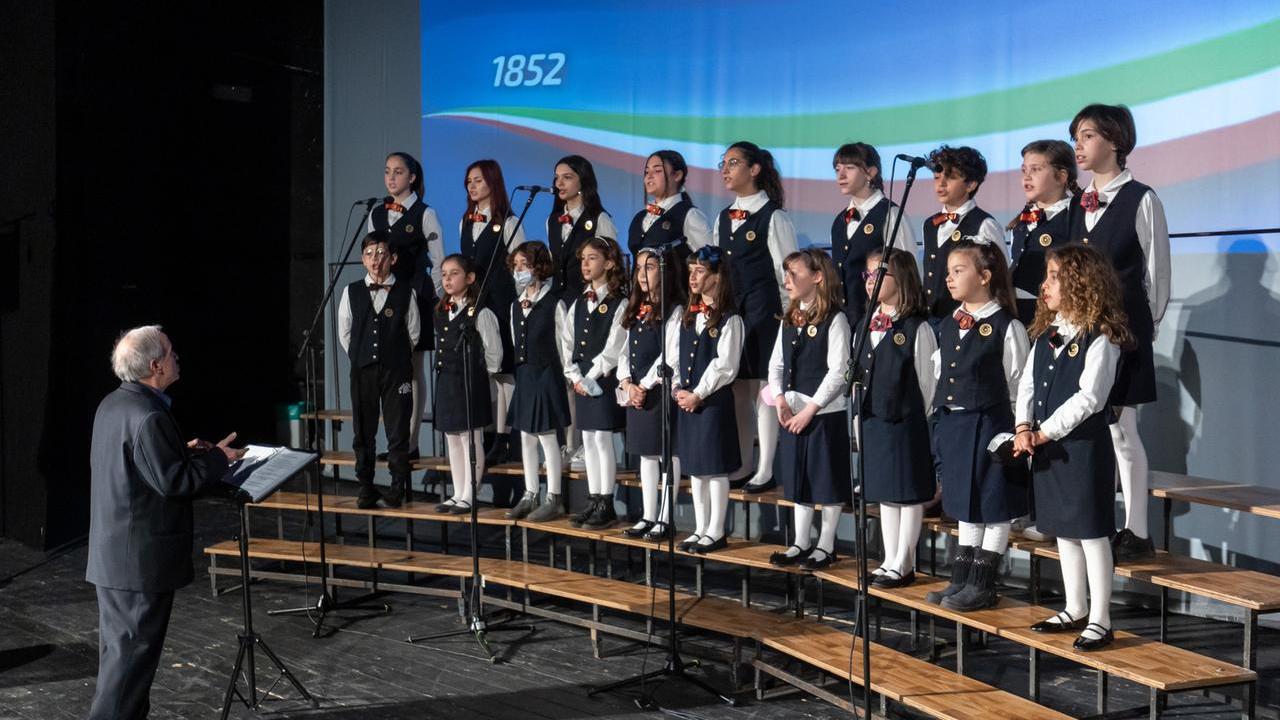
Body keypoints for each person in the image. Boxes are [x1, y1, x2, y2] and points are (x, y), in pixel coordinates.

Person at [87, 325, 243, 720]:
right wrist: (219, 459)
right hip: (138, 565)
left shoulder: (113, 404)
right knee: (126, 673)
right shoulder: (148, 415)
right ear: (155, 365)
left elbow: (137, 467)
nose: (177, 358)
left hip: (113, 559)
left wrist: (180, 451)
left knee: (124, 667)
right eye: (171, 353)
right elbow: (176, 482)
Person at [1016, 245, 1132, 651]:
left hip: (1082, 448)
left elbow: (1090, 399)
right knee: (1064, 530)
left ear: (1080, 283)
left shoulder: (1100, 335)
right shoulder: (1048, 334)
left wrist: (1043, 432)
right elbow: (1027, 385)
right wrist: (1022, 427)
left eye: (1052, 276)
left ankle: (1101, 618)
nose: (1043, 285)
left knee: (1092, 531)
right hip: (1048, 446)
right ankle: (1074, 606)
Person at [1068, 103, 1170, 563]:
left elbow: (1157, 276)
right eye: (1076, 136)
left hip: (1125, 332)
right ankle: (1095, 520)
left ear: (1115, 141)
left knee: (1122, 429)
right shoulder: (1076, 202)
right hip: (1082, 334)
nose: (1079, 146)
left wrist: (1139, 328)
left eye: (1087, 136)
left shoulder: (1141, 198)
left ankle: (1137, 530)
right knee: (1089, 430)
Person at [925, 238, 1030, 612]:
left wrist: (1016, 430)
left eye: (958, 271)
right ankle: (962, 577)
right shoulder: (948, 324)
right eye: (948, 272)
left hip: (991, 425)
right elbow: (941, 373)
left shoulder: (1006, 325)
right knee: (966, 503)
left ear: (984, 276)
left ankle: (984, 584)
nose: (949, 279)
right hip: (956, 424)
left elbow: (1019, 384)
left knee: (993, 502)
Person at [715, 141, 798, 493]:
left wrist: (789, 317)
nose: (725, 169)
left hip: (767, 313)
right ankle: (743, 464)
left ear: (754, 170)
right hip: (734, 314)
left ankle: (766, 468)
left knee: (766, 389)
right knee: (737, 389)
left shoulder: (773, 216)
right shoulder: (722, 217)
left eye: (734, 162)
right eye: (724, 163)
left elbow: (788, 273)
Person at [852, 248, 937, 589]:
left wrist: (916, 415)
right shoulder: (864, 324)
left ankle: (904, 561)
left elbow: (928, 383)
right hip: (873, 420)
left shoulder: (917, 328)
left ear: (899, 277)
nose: (870, 281)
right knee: (886, 493)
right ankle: (889, 558)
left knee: (908, 493)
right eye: (867, 274)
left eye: (878, 274)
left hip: (906, 422)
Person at [766, 249, 851, 571]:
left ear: (817, 277)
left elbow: (840, 370)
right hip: (792, 413)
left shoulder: (835, 318)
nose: (787, 280)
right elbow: (776, 363)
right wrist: (780, 399)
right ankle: (801, 541)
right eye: (785, 274)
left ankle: (826, 545)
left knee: (826, 481)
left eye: (794, 274)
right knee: (798, 479)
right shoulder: (789, 317)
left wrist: (811, 409)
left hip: (823, 414)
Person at [368, 151, 443, 459]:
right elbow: (372, 255)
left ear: (411, 177)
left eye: (398, 172)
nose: (391, 178)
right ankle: (394, 440)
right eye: (387, 171)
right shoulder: (376, 212)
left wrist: (436, 295)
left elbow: (438, 259)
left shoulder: (425, 213)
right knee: (391, 372)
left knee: (413, 370)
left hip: (416, 296)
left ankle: (410, 443)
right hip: (386, 298)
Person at [338, 231, 421, 508]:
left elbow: (413, 333)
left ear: (393, 258)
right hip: (363, 371)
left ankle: (397, 486)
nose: (376, 260)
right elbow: (345, 332)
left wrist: (394, 356)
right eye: (370, 255)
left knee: (398, 430)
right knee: (364, 430)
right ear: (363, 260)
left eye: (382, 254)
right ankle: (366, 486)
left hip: (396, 371)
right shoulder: (351, 291)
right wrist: (361, 357)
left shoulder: (406, 291)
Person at [673, 246, 744, 554]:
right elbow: (676, 357)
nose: (693, 277)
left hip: (712, 403)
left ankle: (716, 531)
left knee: (714, 468)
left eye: (700, 271)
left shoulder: (730, 319)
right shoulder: (688, 316)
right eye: (691, 271)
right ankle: (700, 527)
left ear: (717, 277)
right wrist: (678, 388)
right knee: (696, 469)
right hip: (688, 401)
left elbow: (725, 365)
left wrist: (698, 393)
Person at [459, 159, 527, 464]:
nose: (473, 186)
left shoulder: (509, 223)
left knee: (504, 372)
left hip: (501, 301)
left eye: (478, 181)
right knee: (484, 368)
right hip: (476, 303)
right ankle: (487, 434)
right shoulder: (466, 221)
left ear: (493, 183)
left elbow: (521, 269)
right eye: (469, 182)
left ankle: (506, 436)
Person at [558, 237, 628, 529]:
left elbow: (614, 348)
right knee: (587, 439)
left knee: (601, 439)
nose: (585, 264)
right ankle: (594, 497)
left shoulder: (620, 302)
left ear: (609, 263)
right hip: (582, 381)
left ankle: (607, 502)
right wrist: (574, 375)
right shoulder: (578, 302)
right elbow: (567, 343)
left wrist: (590, 377)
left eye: (592, 258)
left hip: (602, 380)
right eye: (583, 259)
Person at [618, 247, 686, 541]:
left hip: (658, 390)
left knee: (665, 454)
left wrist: (643, 385)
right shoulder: (635, 307)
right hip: (637, 392)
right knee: (645, 456)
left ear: (664, 271)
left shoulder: (674, 309)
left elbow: (669, 356)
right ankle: (648, 515)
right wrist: (625, 382)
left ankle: (665, 517)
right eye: (639, 268)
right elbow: (624, 351)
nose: (643, 274)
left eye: (650, 267)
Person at [504, 241, 572, 522]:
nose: (519, 270)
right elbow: (514, 338)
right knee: (526, 436)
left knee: (546, 436)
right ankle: (530, 493)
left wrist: (566, 375)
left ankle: (553, 496)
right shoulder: (515, 305)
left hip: (547, 373)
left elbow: (564, 343)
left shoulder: (554, 303)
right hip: (525, 374)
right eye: (516, 265)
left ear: (539, 267)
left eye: (525, 264)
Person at [432, 254, 503, 515]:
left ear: (470, 278)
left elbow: (494, 353)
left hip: (470, 382)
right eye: (444, 274)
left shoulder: (480, 312)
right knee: (452, 437)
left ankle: (470, 494)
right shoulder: (441, 311)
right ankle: (458, 491)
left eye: (454, 273)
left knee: (470, 438)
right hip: (447, 381)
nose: (448, 279)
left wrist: (482, 378)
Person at [830, 142, 914, 331]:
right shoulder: (839, 221)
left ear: (871, 172)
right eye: (837, 169)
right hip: (843, 321)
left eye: (849, 168)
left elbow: (908, 272)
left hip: (880, 321)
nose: (841, 175)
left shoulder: (890, 214)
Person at [920, 145, 1003, 323]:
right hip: (930, 318)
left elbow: (999, 280)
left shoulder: (985, 224)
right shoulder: (930, 224)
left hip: (967, 321)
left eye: (950, 177)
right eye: (936, 177)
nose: (940, 184)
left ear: (971, 184)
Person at [1008, 140, 1078, 325]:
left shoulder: (1074, 218)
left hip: (1049, 313)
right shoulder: (1023, 220)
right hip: (1015, 311)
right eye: (1024, 170)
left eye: (1036, 169)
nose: (1027, 177)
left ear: (1061, 177)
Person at [627, 149, 712, 263]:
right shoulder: (639, 217)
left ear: (677, 175)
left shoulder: (689, 215)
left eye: (657, 170)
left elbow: (710, 261)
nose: (649, 176)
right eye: (647, 172)